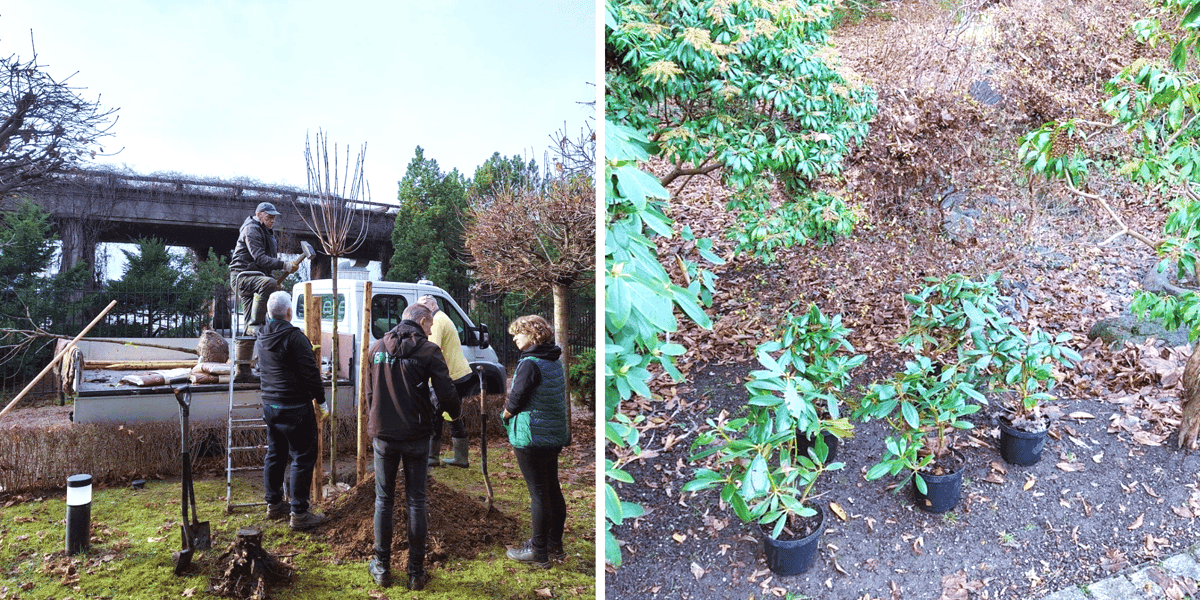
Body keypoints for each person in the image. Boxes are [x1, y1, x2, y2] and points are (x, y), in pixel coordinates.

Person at [365, 303, 461, 590]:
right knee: (416, 501)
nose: (431, 330)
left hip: (383, 435)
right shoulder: (429, 351)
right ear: (420, 320)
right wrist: (451, 414)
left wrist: (375, 422)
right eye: (430, 325)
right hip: (417, 436)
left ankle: (381, 567)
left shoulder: (376, 347)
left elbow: (370, 392)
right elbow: (447, 392)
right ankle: (415, 572)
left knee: (384, 500)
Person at [255, 291, 328, 531]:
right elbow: (310, 373)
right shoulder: (295, 337)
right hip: (295, 408)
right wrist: (322, 401)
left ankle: (274, 505)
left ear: (268, 313)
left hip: (270, 406)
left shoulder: (262, 334)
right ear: (289, 312)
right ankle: (299, 513)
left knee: (275, 454)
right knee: (303, 457)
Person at [502, 315, 571, 569]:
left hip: (531, 437)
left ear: (532, 334)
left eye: (518, 333)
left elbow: (517, 398)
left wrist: (505, 415)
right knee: (552, 488)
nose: (514, 338)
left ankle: (538, 551)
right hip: (552, 435)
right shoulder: (554, 360)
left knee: (539, 493)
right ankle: (555, 544)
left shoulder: (530, 363)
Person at [229, 201, 300, 382]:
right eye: (269, 217)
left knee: (248, 326)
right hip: (243, 277)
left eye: (274, 217)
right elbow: (259, 258)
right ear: (259, 214)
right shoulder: (251, 229)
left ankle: (243, 371)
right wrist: (284, 265)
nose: (272, 220)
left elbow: (266, 262)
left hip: (254, 277)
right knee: (268, 284)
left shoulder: (266, 232)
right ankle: (255, 324)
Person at [417, 294, 477, 468]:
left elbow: (431, 350)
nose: (420, 311)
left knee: (435, 415)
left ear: (431, 306)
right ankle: (460, 458)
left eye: (422, 306)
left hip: (451, 375)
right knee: (451, 414)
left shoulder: (436, 322)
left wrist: (428, 380)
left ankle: (432, 458)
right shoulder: (443, 318)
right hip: (458, 373)